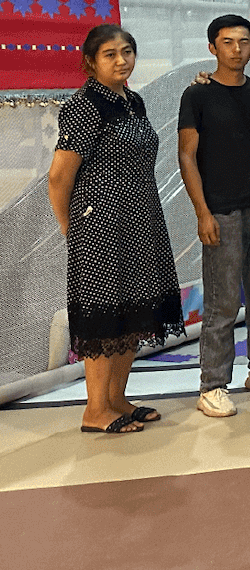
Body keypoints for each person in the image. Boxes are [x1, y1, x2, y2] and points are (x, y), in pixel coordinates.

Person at [49, 25, 184, 434]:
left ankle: (116, 399)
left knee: (135, 312)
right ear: (91, 62)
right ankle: (95, 410)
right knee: (103, 318)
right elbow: (59, 177)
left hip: (140, 221)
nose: (122, 61)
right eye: (110, 54)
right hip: (101, 228)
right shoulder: (84, 106)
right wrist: (71, 228)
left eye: (127, 51)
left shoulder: (133, 101)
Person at [177, 14, 250, 418]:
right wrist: (202, 212)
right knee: (223, 302)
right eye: (227, 42)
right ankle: (212, 385)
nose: (236, 49)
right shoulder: (197, 94)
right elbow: (186, 156)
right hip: (221, 210)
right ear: (213, 47)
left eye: (244, 42)